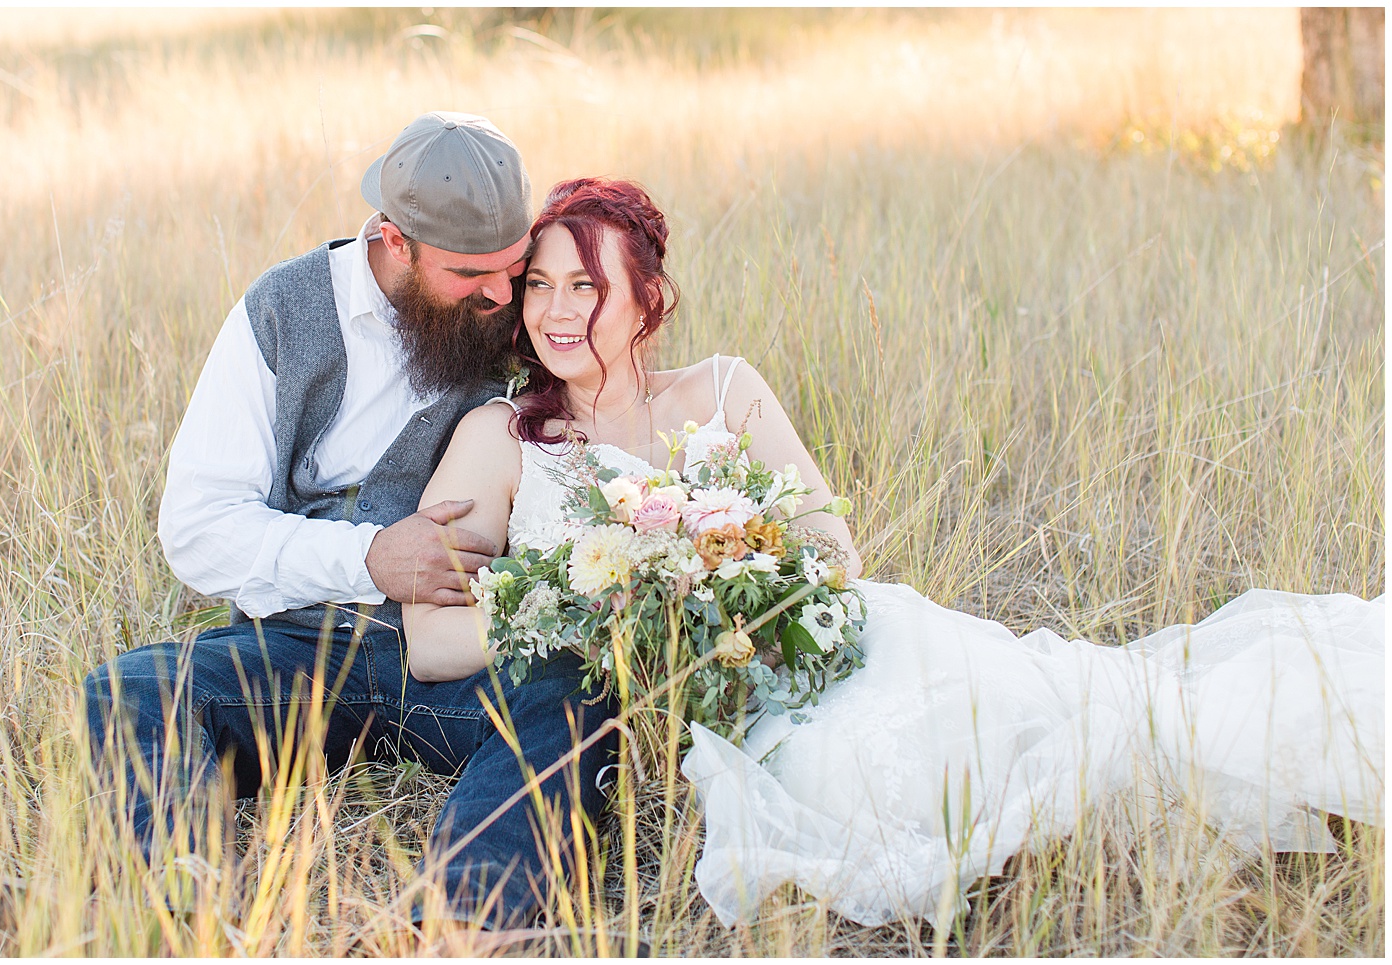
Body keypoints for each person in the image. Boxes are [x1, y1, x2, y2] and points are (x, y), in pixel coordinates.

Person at [406, 175, 1385, 929]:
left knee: (1056, 724)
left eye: (588, 284)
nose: (555, 309)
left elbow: (833, 545)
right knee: (858, 784)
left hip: (822, 645)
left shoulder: (722, 390)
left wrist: (716, 563)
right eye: (538, 284)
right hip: (732, 714)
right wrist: (579, 607)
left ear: (649, 297)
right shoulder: (503, 437)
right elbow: (428, 642)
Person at [81, 112, 617, 935]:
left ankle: (468, 921)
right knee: (132, 691)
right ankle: (182, 904)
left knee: (572, 695)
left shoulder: (507, 308)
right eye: (473, 274)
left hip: (447, 649)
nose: (503, 298)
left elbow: (609, 373)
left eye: (516, 270)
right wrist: (371, 557)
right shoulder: (282, 313)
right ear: (395, 241)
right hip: (297, 648)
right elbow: (195, 528)